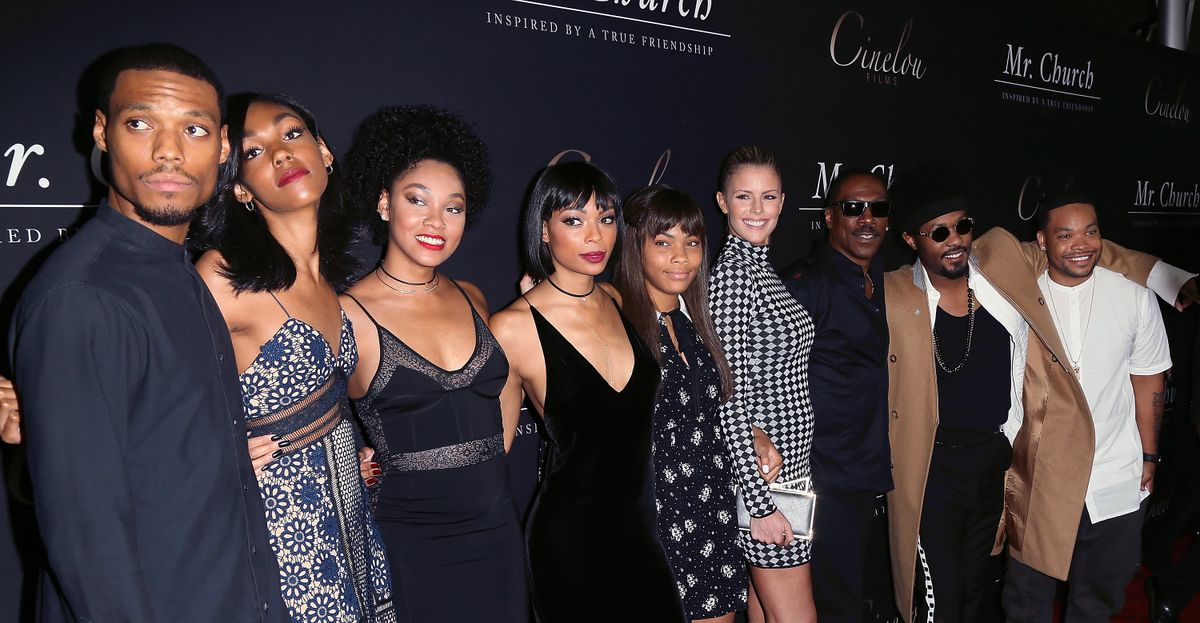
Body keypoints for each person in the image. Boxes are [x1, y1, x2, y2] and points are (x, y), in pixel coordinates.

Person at [7, 44, 286, 622]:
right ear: (103, 133)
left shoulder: (180, 272)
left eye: (195, 129)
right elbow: (89, 544)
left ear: (224, 147)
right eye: (141, 124)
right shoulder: (84, 297)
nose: (169, 152)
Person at [881, 168, 1197, 623]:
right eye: (939, 231)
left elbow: (1086, 250)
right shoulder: (902, 292)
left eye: (963, 226)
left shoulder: (1001, 266)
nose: (955, 239)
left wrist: (1167, 277)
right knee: (966, 599)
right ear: (912, 240)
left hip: (1026, 466)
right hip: (968, 472)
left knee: (991, 592)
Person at [193, 93, 395, 623]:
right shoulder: (222, 274)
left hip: (352, 524)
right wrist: (218, 453)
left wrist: (346, 446)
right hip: (283, 538)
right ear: (239, 187)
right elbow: (156, 394)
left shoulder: (329, 280)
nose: (280, 154)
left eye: (291, 134)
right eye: (253, 153)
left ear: (324, 150)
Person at [337, 105, 528, 622]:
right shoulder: (347, 315)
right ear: (384, 202)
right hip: (412, 543)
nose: (435, 223)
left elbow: (503, 397)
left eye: (454, 208)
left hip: (498, 533)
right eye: (416, 200)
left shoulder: (473, 296)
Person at [490, 160, 687, 623]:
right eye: (574, 221)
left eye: (606, 219)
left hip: (641, 535)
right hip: (570, 544)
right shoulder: (512, 327)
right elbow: (492, 452)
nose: (596, 237)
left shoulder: (618, 300)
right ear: (543, 229)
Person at [1001, 191, 1173, 621]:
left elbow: (1148, 376)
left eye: (1091, 231)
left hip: (1114, 475)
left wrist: (1149, 454)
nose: (1082, 244)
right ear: (1041, 241)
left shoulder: (1132, 295)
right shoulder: (1017, 298)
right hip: (1039, 479)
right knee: (1027, 605)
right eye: (1066, 234)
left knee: (1099, 602)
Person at [613, 184, 750, 623]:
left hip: (711, 509)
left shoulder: (695, 321)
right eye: (663, 242)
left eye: (691, 242)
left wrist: (755, 436)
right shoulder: (615, 324)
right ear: (636, 246)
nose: (680, 257)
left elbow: (705, 412)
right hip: (654, 518)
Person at [710, 146, 817, 623]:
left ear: (783, 201)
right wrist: (760, 505)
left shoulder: (760, 270)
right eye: (744, 197)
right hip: (766, 488)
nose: (757, 210)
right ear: (722, 202)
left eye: (768, 197)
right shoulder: (734, 279)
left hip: (788, 478)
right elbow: (728, 400)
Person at [781, 167, 893, 623]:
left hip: (868, 471)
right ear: (829, 217)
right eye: (853, 208)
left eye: (878, 209)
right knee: (835, 604)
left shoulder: (889, 283)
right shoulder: (802, 285)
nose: (867, 218)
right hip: (824, 477)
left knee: (863, 596)